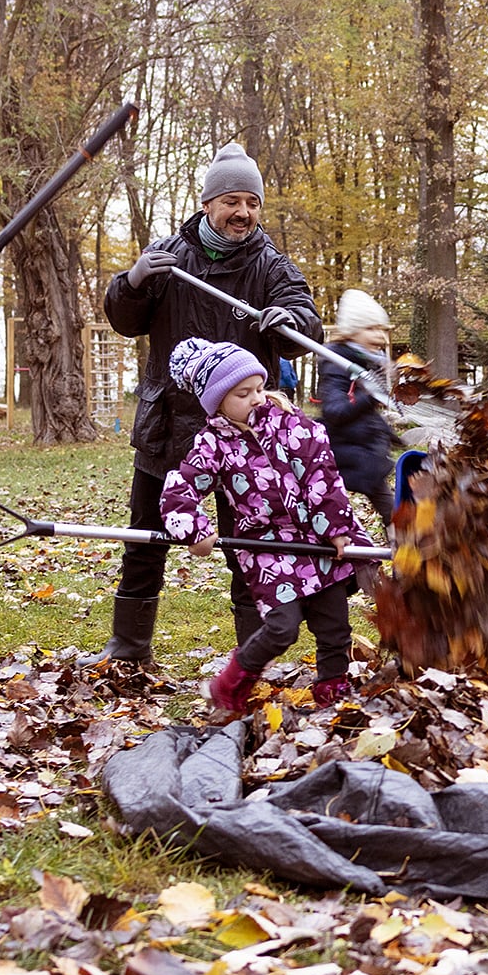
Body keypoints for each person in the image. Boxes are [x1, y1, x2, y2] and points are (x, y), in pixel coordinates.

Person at [100, 143, 321, 665]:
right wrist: (132, 282)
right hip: (168, 429)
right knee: (143, 541)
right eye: (231, 201)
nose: (243, 212)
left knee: (249, 549)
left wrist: (288, 320)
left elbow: (306, 320)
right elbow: (124, 319)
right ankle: (129, 648)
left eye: (252, 202)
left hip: (245, 438)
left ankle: (253, 656)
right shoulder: (168, 259)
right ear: (207, 205)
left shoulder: (272, 267)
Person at [159, 338, 370, 712]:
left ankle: (332, 691)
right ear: (217, 401)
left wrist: (338, 528)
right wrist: (194, 529)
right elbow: (181, 488)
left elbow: (323, 475)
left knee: (334, 625)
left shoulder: (291, 425)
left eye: (258, 387)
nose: (257, 398)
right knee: (281, 627)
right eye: (243, 393)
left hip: (316, 539)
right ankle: (230, 684)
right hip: (267, 547)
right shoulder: (212, 443)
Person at [318, 289, 397, 530]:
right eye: (371, 329)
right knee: (333, 509)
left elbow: (368, 413)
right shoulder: (337, 363)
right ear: (353, 330)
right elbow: (335, 410)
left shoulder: (367, 361)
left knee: (394, 513)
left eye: (382, 329)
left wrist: (391, 435)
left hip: (364, 452)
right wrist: (371, 396)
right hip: (344, 453)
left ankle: (403, 549)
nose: (380, 337)